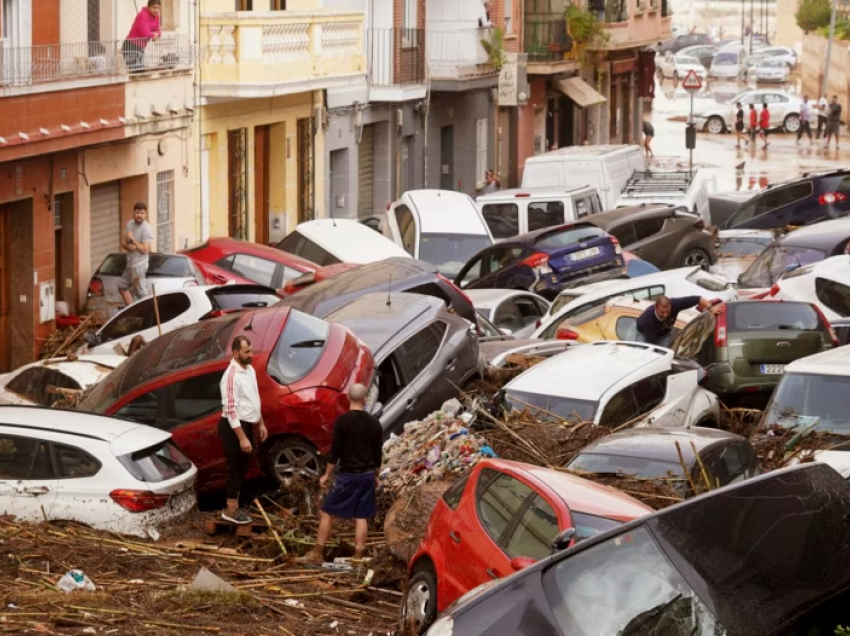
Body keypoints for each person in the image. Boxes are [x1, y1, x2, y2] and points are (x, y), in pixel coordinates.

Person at [302, 384, 383, 564]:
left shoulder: (342, 422)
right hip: (367, 476)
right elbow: (378, 454)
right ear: (365, 400)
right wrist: (376, 476)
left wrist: (326, 475)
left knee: (326, 511)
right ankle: (357, 556)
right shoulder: (374, 424)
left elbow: (335, 453)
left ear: (348, 399)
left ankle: (317, 553)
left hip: (348, 476)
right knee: (361, 516)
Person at [219, 336, 268, 525]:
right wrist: (242, 438)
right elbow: (231, 410)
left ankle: (236, 505)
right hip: (233, 427)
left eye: (251, 351)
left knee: (244, 466)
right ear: (236, 352)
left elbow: (254, 399)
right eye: (247, 352)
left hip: (247, 423)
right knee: (236, 468)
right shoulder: (231, 376)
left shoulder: (250, 370)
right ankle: (230, 510)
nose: (251, 355)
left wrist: (260, 422)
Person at [635, 296, 726, 348]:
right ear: (656, 308)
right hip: (645, 335)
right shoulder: (646, 321)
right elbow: (652, 344)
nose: (666, 315)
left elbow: (698, 299)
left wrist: (711, 308)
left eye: (668, 312)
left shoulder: (676, 304)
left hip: (664, 333)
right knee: (644, 357)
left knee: (664, 357)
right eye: (662, 312)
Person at [118, 202, 154, 307]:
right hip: (130, 263)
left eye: (142, 213)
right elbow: (123, 243)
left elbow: (145, 249)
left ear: (145, 214)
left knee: (142, 295)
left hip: (139, 265)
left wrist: (133, 241)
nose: (139, 215)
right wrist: (128, 247)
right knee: (122, 286)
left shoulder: (146, 228)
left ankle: (147, 318)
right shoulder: (130, 224)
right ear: (134, 212)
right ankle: (131, 312)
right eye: (137, 212)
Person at [123, 0, 162, 73]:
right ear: (148, 7)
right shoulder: (142, 15)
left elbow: (158, 30)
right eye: (154, 8)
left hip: (141, 47)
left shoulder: (156, 16)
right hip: (131, 46)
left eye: (158, 8)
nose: (156, 10)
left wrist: (157, 34)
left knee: (140, 71)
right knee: (135, 71)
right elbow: (145, 33)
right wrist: (154, 35)